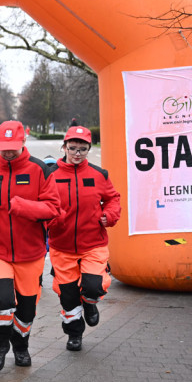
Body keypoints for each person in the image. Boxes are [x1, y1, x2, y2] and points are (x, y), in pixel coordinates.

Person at [0, 120, 59, 372]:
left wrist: (23, 207)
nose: (7, 151)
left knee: (27, 309)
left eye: (12, 146)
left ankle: (21, 344)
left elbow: (54, 209)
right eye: (3, 147)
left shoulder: (40, 170)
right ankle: (0, 343)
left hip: (30, 253)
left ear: (23, 142)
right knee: (1, 300)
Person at [47, 126, 121, 351]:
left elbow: (113, 199)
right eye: (73, 148)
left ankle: (90, 303)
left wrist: (109, 215)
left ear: (89, 148)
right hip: (62, 246)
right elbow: (42, 203)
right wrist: (50, 220)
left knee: (94, 286)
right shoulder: (51, 175)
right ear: (64, 147)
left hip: (93, 244)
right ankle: (74, 334)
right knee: (68, 297)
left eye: (83, 149)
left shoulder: (99, 175)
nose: (77, 153)